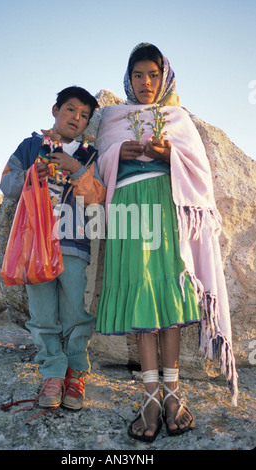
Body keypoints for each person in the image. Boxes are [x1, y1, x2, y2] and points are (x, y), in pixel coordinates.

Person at [95, 43, 238, 442]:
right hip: (127, 209)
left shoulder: (178, 118)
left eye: (153, 75)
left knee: (170, 291)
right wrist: (117, 153)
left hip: (165, 205)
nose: (145, 83)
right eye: (138, 75)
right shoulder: (112, 119)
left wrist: (169, 152)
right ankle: (150, 396)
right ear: (128, 78)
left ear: (165, 77)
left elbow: (198, 170)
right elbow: (100, 161)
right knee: (142, 292)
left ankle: (173, 391)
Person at [0, 86, 106, 412]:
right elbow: (7, 181)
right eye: (70, 109)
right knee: (43, 312)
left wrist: (76, 170)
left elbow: (99, 196)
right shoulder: (31, 145)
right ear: (55, 110)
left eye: (84, 115)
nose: (76, 117)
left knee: (77, 310)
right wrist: (33, 173)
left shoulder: (90, 155)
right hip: (35, 244)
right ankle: (52, 372)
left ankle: (76, 371)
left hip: (75, 243)